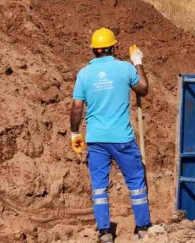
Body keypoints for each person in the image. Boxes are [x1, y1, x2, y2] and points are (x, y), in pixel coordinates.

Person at [70, 28, 151, 242]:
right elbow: (143, 89)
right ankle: (143, 228)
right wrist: (137, 62)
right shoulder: (124, 69)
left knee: (99, 186)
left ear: (94, 50)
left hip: (96, 140)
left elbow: (77, 106)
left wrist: (74, 133)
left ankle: (105, 232)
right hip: (122, 138)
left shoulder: (84, 74)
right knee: (135, 181)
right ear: (113, 47)